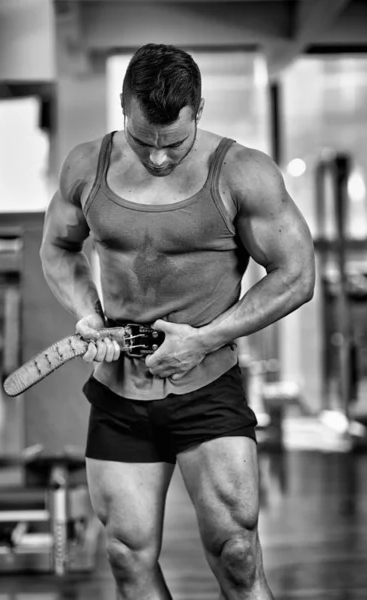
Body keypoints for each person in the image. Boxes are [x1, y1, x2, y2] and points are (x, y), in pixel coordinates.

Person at [40, 43, 315, 600]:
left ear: (199, 109)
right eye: (145, 141)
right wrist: (88, 314)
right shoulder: (85, 166)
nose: (160, 158)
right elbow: (58, 250)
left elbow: (297, 275)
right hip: (119, 392)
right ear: (123, 107)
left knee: (236, 552)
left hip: (206, 387)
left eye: (175, 142)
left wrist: (205, 340)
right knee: (125, 553)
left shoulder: (241, 172)